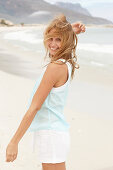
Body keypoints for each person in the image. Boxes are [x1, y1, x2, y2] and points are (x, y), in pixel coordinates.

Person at [5, 14, 85, 170]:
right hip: (53, 132)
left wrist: (14, 141)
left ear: (66, 41)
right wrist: (69, 32)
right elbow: (54, 40)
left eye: (59, 39)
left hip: (51, 135)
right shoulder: (65, 63)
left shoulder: (55, 68)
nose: (52, 44)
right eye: (51, 38)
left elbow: (35, 107)